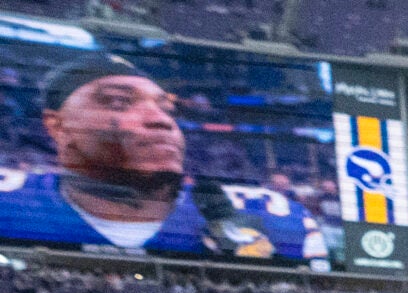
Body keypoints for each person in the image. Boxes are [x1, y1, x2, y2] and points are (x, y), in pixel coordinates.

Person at [0, 55, 326, 263]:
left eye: (166, 108)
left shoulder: (275, 216)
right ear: (57, 125)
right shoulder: (12, 203)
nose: (161, 121)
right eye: (118, 102)